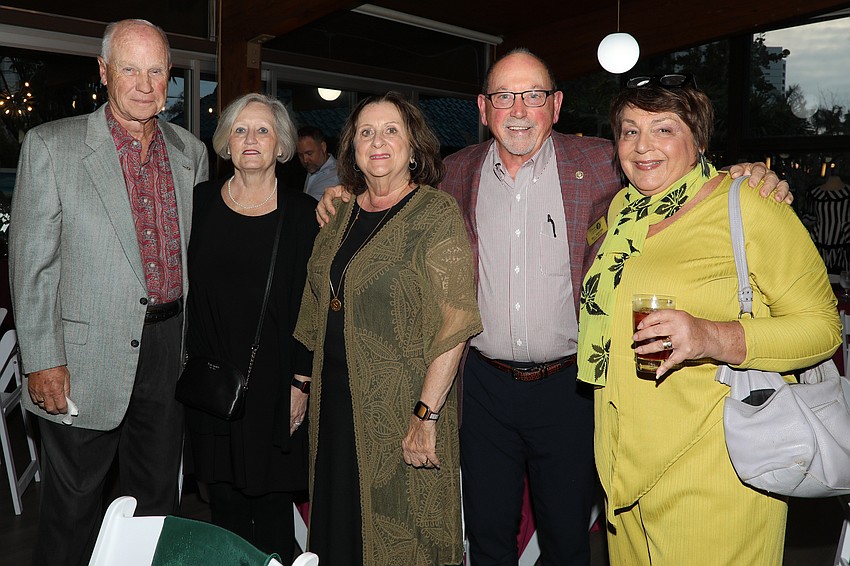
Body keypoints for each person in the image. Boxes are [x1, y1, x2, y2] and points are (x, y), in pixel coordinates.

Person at [315, 49, 791, 565]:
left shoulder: (602, 164)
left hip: (571, 390)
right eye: (504, 96)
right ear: (482, 107)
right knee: (487, 534)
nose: (519, 109)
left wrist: (743, 175)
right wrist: (345, 193)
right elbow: (393, 196)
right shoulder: (454, 173)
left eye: (534, 95)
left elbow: (673, 172)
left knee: (567, 539)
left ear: (556, 104)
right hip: (482, 389)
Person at [579, 74, 841, 564]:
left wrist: (709, 335)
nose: (642, 146)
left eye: (663, 129)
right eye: (629, 130)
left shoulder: (750, 204)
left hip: (715, 465)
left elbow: (822, 327)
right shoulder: (622, 210)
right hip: (623, 470)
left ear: (698, 140)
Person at [8, 19, 208, 565]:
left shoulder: (191, 153)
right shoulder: (52, 146)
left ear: (169, 76)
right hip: (81, 358)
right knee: (73, 509)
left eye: (156, 70)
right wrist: (42, 360)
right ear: (103, 72)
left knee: (155, 503)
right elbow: (32, 266)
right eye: (129, 68)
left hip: (170, 353)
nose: (145, 83)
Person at [294, 91, 482, 566]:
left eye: (391, 130)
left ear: (414, 146)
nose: (378, 142)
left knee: (405, 533)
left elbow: (456, 319)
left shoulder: (435, 214)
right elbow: (315, 303)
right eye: (366, 132)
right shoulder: (337, 213)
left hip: (401, 407)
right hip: (335, 406)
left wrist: (426, 414)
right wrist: (301, 383)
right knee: (338, 531)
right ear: (352, 149)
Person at [183, 93, 317, 559]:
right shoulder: (198, 205)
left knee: (275, 520)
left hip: (277, 387)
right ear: (226, 142)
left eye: (262, 130)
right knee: (225, 516)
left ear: (281, 143)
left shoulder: (303, 214)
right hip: (214, 390)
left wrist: (302, 380)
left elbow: (313, 304)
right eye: (240, 130)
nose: (251, 139)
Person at [805, 169, 850, 273]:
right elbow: (808, 217)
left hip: (843, 242)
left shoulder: (847, 192)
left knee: (842, 275)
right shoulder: (814, 193)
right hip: (819, 240)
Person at [297, 126, 340, 201]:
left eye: (309, 153)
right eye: (300, 155)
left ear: (323, 147)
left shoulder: (337, 175)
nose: (305, 160)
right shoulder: (313, 168)